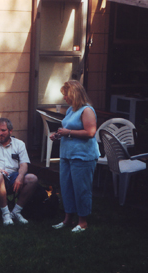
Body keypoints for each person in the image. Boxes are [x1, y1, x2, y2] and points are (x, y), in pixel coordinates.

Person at [50, 80, 100, 233]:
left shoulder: (87, 110)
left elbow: (90, 132)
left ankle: (82, 221)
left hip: (82, 156)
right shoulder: (71, 110)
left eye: (66, 95)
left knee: (81, 189)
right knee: (66, 187)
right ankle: (67, 219)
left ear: (73, 94)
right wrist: (59, 135)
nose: (64, 98)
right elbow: (68, 130)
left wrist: (68, 133)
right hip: (67, 155)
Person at [0, 118, 38, 225]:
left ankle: (16, 211)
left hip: (13, 176)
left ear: (10, 131)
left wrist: (20, 176)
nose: (0, 133)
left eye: (3, 130)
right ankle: (6, 214)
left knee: (33, 179)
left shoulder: (19, 144)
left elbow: (24, 164)